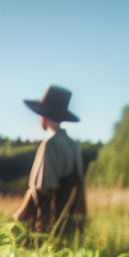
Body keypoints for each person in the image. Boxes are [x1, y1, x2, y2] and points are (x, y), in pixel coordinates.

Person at [13, 86, 86, 241]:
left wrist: (18, 218)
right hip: (69, 222)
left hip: (49, 223)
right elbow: (79, 187)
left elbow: (39, 190)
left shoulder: (49, 144)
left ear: (44, 116)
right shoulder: (74, 145)